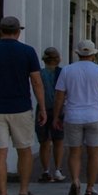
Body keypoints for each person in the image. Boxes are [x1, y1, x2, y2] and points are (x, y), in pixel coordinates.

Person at [53, 40, 98, 195]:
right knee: (94, 154)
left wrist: (56, 116)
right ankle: (90, 189)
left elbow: (59, 96)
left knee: (74, 152)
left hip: (73, 116)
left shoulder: (67, 70)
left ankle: (75, 180)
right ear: (93, 54)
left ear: (77, 54)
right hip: (95, 116)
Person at [0, 16, 46, 195]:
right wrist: (42, 107)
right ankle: (24, 192)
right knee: (25, 150)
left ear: (1, 31)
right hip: (21, 107)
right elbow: (36, 81)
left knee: (0, 154)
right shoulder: (27, 51)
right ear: (18, 32)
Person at [36, 47, 66, 183]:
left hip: (42, 109)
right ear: (58, 59)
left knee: (44, 142)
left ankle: (46, 171)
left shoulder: (40, 73)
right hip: (58, 110)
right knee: (58, 140)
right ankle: (58, 170)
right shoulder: (62, 73)